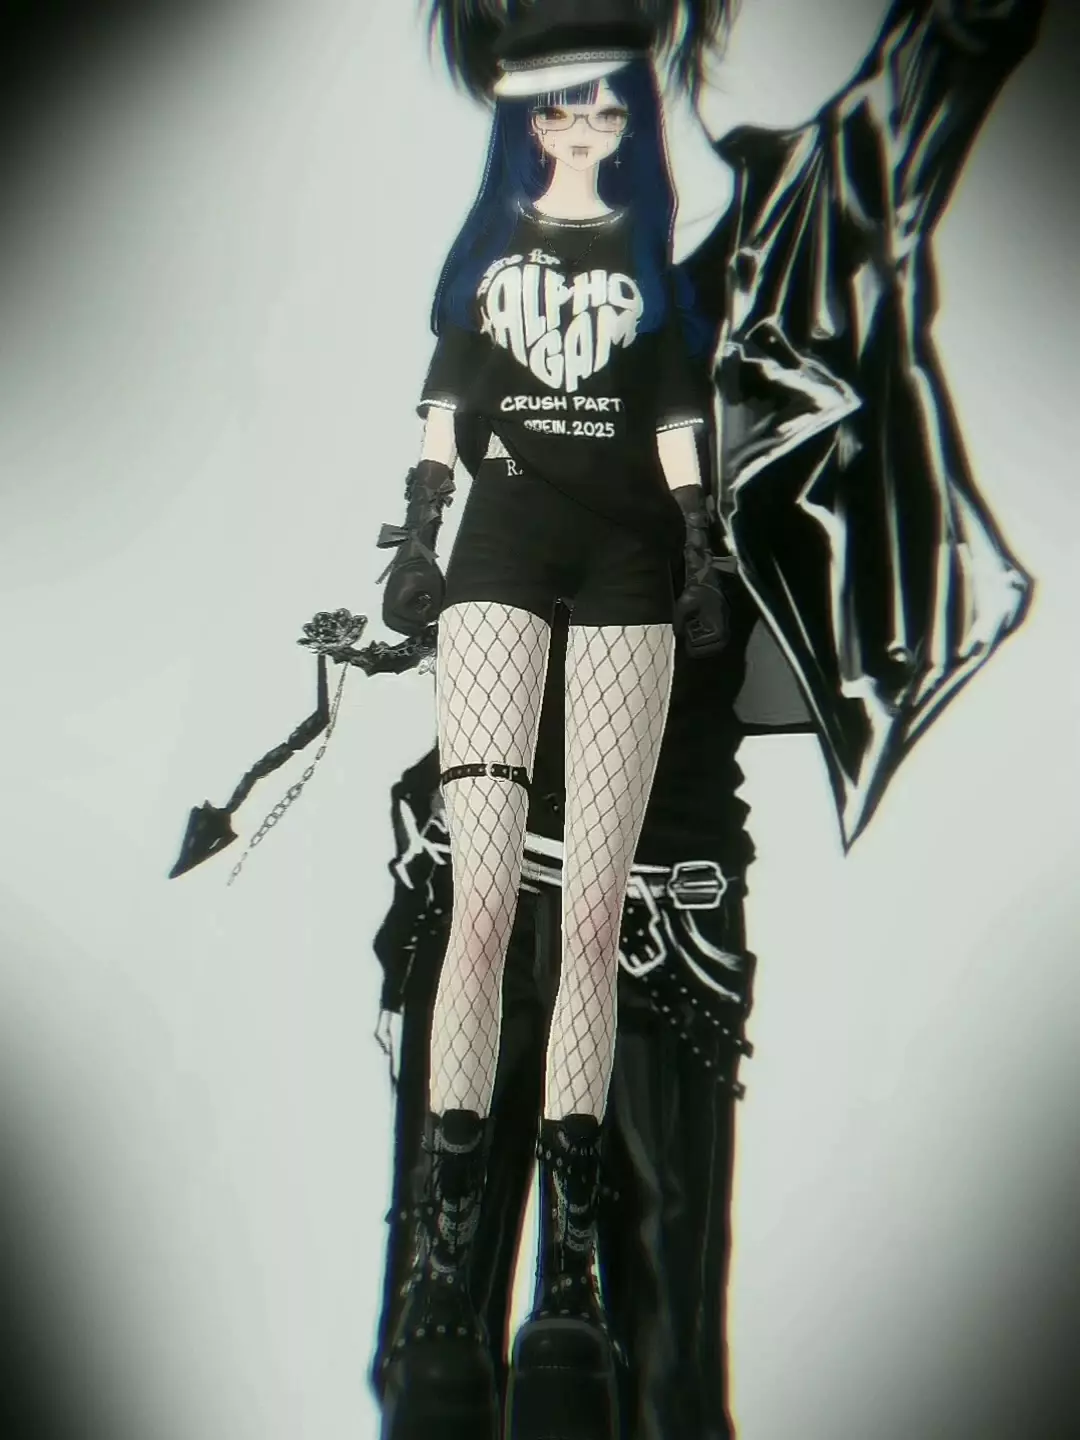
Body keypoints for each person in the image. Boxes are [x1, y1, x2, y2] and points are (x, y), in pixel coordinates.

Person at [369, 2, 1045, 1439]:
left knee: (658, 1370)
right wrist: (426, 542)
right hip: (478, 875)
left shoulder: (772, 262)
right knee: (436, 1369)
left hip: (660, 894)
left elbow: (939, 66)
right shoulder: (498, 268)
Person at [372, 5, 734, 1439]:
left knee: (588, 914)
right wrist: (419, 534)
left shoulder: (655, 271)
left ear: (627, 116)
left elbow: (674, 422)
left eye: (600, 105)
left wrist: (699, 544)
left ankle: (567, 1272)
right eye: (557, 105)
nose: (579, 124)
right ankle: (447, 1263)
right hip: (503, 554)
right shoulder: (483, 258)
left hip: (630, 564)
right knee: (478, 907)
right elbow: (443, 405)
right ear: (523, 118)